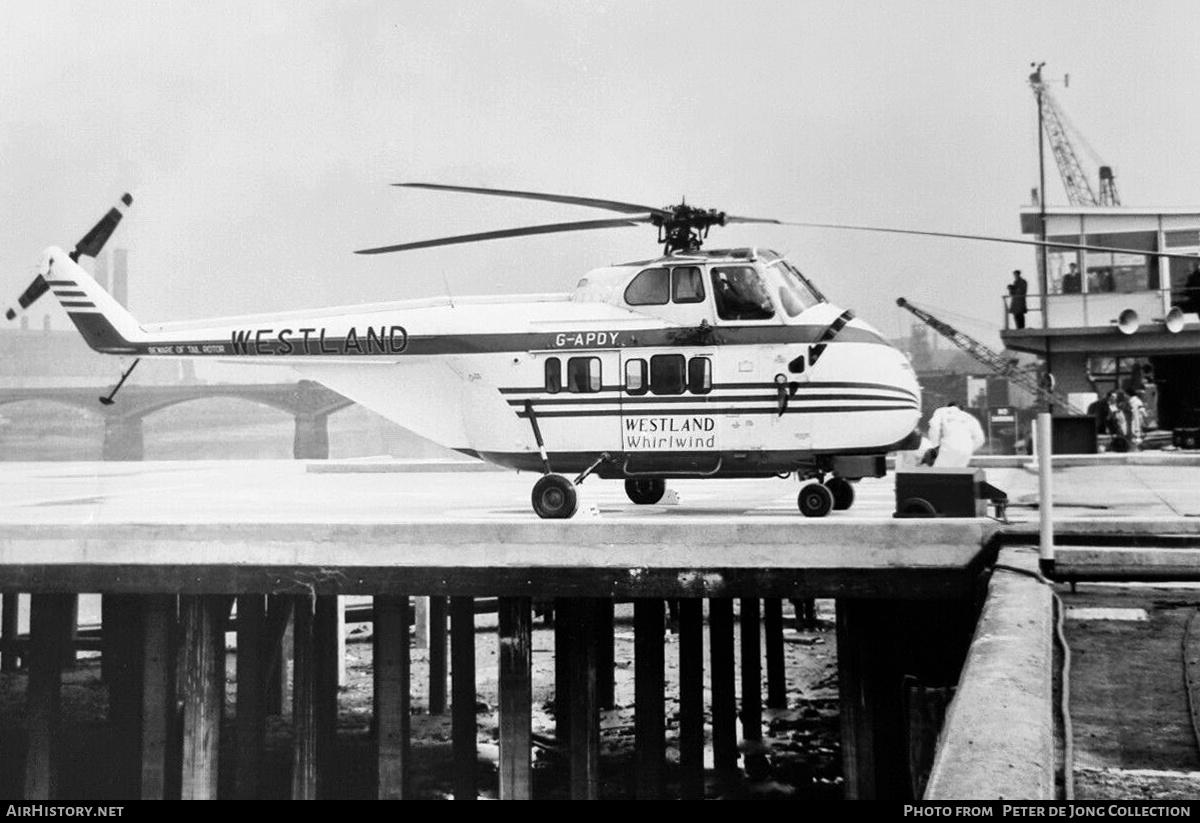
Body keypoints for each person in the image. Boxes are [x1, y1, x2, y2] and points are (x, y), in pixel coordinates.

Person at [926, 401, 986, 468]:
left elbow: (934, 427)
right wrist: (969, 449)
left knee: (938, 474)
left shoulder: (941, 411)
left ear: (948, 406)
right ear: (961, 409)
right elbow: (980, 439)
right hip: (966, 449)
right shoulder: (970, 417)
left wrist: (935, 447)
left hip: (948, 446)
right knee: (957, 476)